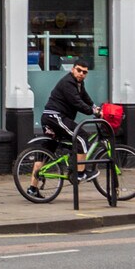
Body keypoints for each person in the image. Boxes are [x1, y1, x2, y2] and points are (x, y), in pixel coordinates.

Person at [35, 57, 98, 187]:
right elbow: (76, 102)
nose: (81, 73)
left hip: (49, 117)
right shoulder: (68, 82)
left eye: (84, 72)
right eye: (79, 70)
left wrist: (94, 106)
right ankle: (80, 173)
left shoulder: (79, 83)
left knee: (47, 150)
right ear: (72, 69)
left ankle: (32, 188)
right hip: (56, 117)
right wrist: (93, 112)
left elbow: (85, 97)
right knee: (81, 136)